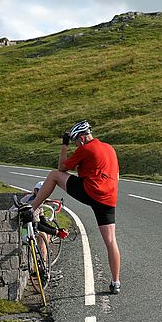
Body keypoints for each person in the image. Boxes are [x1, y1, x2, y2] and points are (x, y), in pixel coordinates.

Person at [29, 120, 121, 294]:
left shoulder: (86, 148)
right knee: (111, 241)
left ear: (83, 137)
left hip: (91, 190)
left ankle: (32, 208)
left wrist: (64, 145)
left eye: (76, 141)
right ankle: (116, 282)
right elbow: (117, 175)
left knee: (55, 175)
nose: (76, 144)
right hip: (108, 199)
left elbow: (61, 167)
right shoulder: (109, 148)